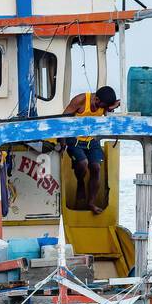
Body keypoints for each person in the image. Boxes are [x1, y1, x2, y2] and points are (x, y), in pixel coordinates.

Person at [60, 85, 119, 214]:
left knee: (96, 168)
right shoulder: (80, 100)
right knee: (83, 163)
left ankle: (91, 202)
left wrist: (112, 107)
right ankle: (80, 182)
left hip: (90, 141)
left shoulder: (103, 106)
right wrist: (62, 142)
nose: (104, 110)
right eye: (103, 106)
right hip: (74, 139)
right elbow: (63, 120)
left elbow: (109, 116)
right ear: (96, 99)